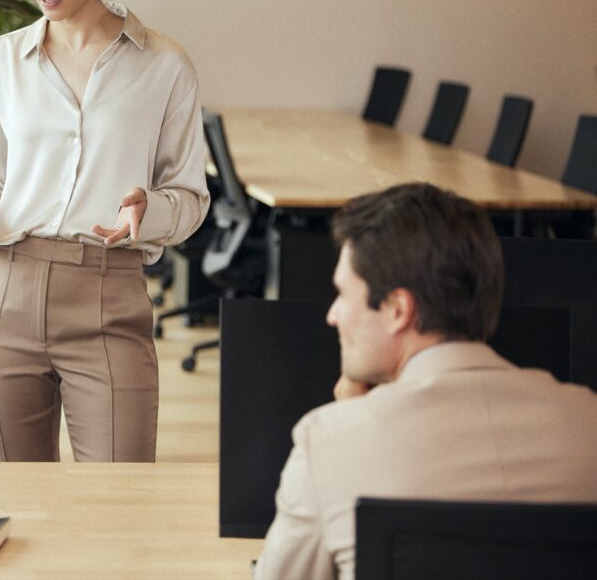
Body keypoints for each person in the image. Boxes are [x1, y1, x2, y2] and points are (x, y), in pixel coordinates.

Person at [0, 0, 210, 462]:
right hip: (8, 291)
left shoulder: (165, 66)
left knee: (117, 499)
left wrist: (149, 211)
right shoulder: (0, 63)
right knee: (20, 500)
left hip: (109, 295)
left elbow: (190, 196)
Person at [254, 182, 597, 580]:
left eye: (343, 295)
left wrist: (347, 426)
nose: (333, 316)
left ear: (398, 310)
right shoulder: (588, 420)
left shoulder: (327, 442)